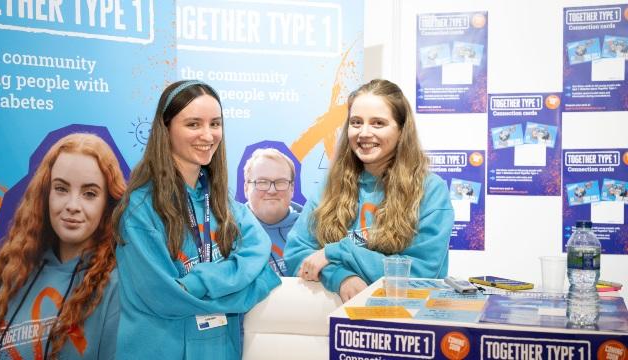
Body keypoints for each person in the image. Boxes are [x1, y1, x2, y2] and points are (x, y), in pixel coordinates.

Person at [112, 80, 281, 359]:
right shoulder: (140, 210)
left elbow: (259, 250)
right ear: (165, 130)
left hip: (219, 350)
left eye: (215, 123)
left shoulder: (221, 201)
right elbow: (166, 298)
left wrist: (199, 282)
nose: (208, 134)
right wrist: (250, 286)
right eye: (193, 124)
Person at [284, 79, 454, 302]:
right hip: (332, 324)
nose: (364, 133)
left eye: (378, 123)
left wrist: (336, 252)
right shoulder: (329, 186)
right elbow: (297, 253)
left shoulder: (430, 191)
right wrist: (341, 277)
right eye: (356, 122)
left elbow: (419, 273)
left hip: (404, 324)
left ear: (402, 130)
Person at [0, 133, 126, 360]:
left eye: (89, 194)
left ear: (107, 203)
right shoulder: (13, 272)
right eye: (61, 189)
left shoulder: (118, 286)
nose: (72, 205)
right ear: (45, 194)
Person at [243, 148, 302, 276]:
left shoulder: (312, 230)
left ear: (292, 188)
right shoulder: (226, 233)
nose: (271, 190)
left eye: (280, 182)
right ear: (246, 188)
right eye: (262, 182)